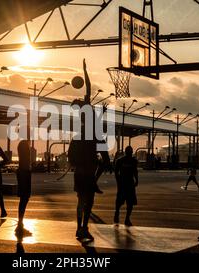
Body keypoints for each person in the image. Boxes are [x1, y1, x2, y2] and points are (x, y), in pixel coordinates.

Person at [68, 59, 110, 242]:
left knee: (81, 200)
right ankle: (83, 227)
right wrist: (85, 71)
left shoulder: (85, 116)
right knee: (89, 200)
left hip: (81, 168)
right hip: (89, 159)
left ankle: (80, 228)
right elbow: (89, 87)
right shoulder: (86, 110)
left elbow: (88, 91)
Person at [113, 146, 138, 226]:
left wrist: (118, 181)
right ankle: (123, 216)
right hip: (126, 183)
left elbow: (116, 173)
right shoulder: (128, 161)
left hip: (125, 183)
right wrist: (136, 180)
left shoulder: (121, 160)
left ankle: (123, 216)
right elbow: (135, 172)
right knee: (127, 202)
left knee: (125, 202)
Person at [15, 140, 32, 237]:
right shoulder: (24, 146)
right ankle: (20, 222)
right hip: (25, 172)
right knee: (24, 197)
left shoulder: (22, 145)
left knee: (24, 198)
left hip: (23, 172)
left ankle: (20, 221)